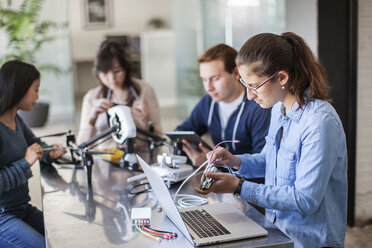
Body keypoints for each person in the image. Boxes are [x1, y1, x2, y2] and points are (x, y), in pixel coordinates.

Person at [195, 32, 348, 248]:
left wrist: (239, 187)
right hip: (279, 233)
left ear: (282, 78)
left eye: (254, 86)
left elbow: (305, 199)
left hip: (310, 242)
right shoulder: (278, 109)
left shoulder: (320, 122)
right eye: (244, 84)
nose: (249, 95)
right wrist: (234, 161)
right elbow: (270, 160)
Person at [0, 60, 66, 248]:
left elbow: (35, 144)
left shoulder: (15, 118)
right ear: (19, 88)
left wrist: (49, 152)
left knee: (62, 236)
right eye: (35, 89)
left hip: (21, 208)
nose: (38, 96)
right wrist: (25, 163)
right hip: (3, 216)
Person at [176, 44, 271, 166]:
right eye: (204, 80)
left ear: (236, 73)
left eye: (215, 78)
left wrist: (212, 164)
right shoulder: (208, 102)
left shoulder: (258, 107)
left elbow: (262, 164)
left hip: (247, 182)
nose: (209, 88)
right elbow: (183, 132)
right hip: (218, 176)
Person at [77, 40, 162, 159]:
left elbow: (160, 138)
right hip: (108, 160)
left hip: (141, 158)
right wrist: (92, 119)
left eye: (117, 71)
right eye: (105, 73)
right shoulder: (92, 97)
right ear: (97, 73)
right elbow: (81, 145)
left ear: (126, 68)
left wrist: (148, 123)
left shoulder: (145, 91)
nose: (111, 78)